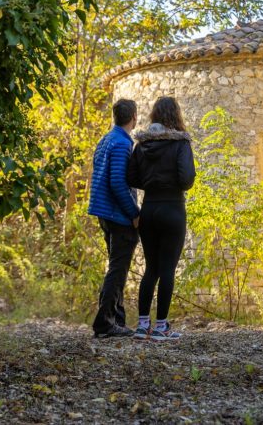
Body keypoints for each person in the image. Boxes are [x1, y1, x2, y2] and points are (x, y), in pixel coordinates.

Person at [127, 96, 195, 341]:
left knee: (151, 269)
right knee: (167, 270)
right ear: (175, 115)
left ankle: (143, 324)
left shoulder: (141, 145)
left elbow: (131, 177)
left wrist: (150, 182)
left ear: (154, 115)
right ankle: (161, 327)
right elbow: (187, 179)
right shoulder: (180, 144)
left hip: (149, 209)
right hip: (173, 209)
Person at [88, 99, 140, 338]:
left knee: (116, 268)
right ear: (134, 118)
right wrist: (134, 213)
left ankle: (116, 319)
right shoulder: (121, 143)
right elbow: (118, 182)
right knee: (118, 270)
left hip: (104, 212)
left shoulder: (106, 140)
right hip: (118, 215)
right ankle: (105, 322)